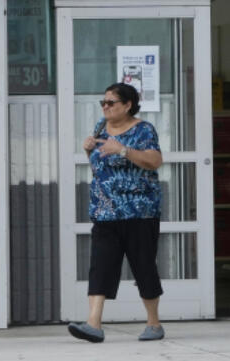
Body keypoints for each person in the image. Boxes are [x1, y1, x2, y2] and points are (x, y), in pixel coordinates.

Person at [67, 82, 165, 343]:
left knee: (143, 266)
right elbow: (103, 168)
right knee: (100, 267)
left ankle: (154, 324)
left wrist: (122, 149)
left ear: (128, 105)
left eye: (111, 103)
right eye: (104, 102)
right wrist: (89, 151)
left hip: (139, 212)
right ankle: (93, 324)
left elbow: (155, 161)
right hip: (105, 211)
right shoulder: (101, 126)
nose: (106, 107)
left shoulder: (143, 130)